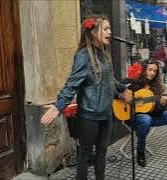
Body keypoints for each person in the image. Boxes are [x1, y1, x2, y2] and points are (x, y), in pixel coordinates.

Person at [40, 15, 131, 180]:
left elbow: (110, 80)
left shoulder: (104, 53)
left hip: (106, 114)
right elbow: (71, 85)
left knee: (102, 154)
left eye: (109, 28)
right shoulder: (83, 56)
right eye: (105, 29)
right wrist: (58, 106)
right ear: (93, 32)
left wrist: (122, 89)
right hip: (89, 117)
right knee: (84, 155)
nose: (110, 32)